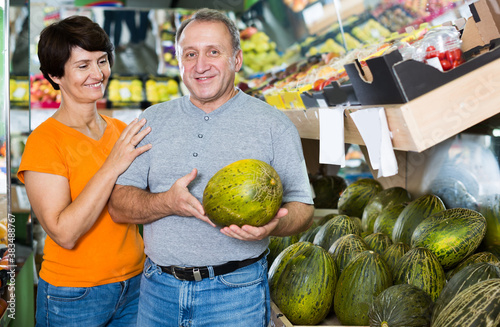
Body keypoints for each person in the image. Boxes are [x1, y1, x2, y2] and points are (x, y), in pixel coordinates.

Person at [108, 8, 314, 327]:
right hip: (158, 292)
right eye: (190, 54)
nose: (200, 65)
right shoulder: (150, 121)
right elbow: (118, 206)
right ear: (179, 62)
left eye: (213, 52)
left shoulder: (274, 124)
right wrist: (166, 203)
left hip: (237, 295)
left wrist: (272, 226)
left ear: (237, 59)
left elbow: (302, 207)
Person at [17, 15, 151, 326]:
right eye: (82, 65)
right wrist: (113, 164)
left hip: (136, 285)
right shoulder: (45, 141)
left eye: (102, 61)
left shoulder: (120, 131)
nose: (97, 73)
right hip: (74, 295)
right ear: (55, 74)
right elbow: (64, 232)